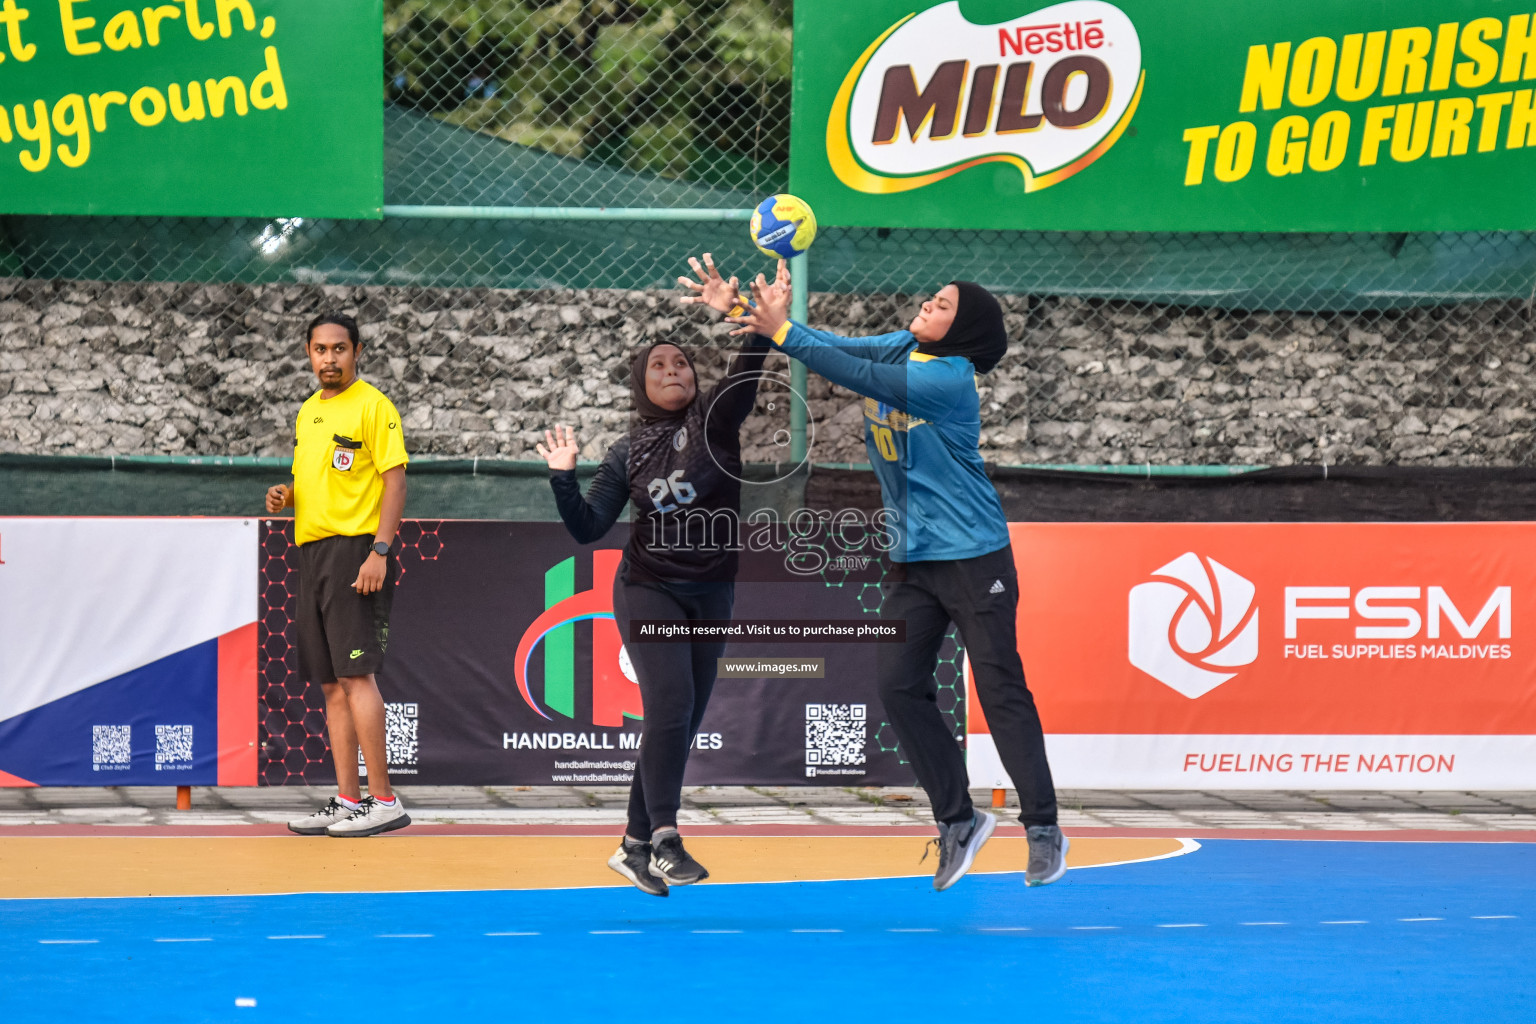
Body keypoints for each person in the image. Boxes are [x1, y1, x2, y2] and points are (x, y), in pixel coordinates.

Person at [728, 272, 1067, 890]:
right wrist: (758, 313)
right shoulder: (905, 346)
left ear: (962, 331)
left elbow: (857, 376)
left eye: (941, 305)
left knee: (999, 689)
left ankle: (1043, 827)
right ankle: (958, 820)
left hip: (974, 557)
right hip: (912, 557)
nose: (926, 305)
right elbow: (835, 347)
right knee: (897, 686)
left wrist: (781, 330)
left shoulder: (946, 377)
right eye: (929, 298)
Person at [536, 255, 772, 896]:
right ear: (640, 384)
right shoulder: (626, 451)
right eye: (658, 366)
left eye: (682, 363)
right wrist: (563, 476)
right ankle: (665, 840)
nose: (673, 370)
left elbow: (748, 371)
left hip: (714, 587)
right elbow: (589, 529)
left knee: (684, 720)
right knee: (669, 708)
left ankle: (632, 846)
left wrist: (750, 321)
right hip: (649, 588)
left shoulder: (715, 423)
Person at [268, 313, 412, 839]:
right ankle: (349, 799)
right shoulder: (308, 412)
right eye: (319, 349)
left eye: (339, 349)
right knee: (331, 685)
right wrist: (288, 494)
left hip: (356, 550)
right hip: (313, 551)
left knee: (356, 677)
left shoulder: (375, 406)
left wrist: (379, 551)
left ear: (357, 352)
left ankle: (385, 801)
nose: (329, 359)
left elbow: (394, 484)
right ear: (308, 353)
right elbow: (314, 479)